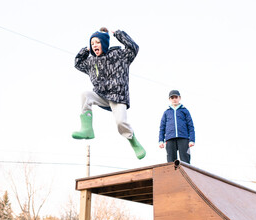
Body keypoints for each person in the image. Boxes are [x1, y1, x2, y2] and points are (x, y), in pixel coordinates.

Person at [72, 27, 146, 160]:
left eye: (97, 42)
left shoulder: (119, 55)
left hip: (118, 97)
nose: (94, 46)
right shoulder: (91, 61)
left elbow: (134, 48)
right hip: (101, 96)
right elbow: (77, 63)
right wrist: (85, 50)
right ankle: (87, 129)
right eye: (92, 43)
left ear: (104, 43)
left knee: (120, 123)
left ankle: (133, 141)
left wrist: (119, 34)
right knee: (85, 95)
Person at [159, 90, 195, 163]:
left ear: (179, 98)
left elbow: (190, 126)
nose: (174, 99)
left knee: (185, 159)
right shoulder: (167, 112)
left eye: (176, 97)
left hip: (183, 137)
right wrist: (161, 140)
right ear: (169, 99)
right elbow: (162, 127)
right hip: (170, 138)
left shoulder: (185, 111)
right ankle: (172, 174)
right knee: (171, 161)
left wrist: (192, 140)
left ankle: (185, 173)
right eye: (172, 98)